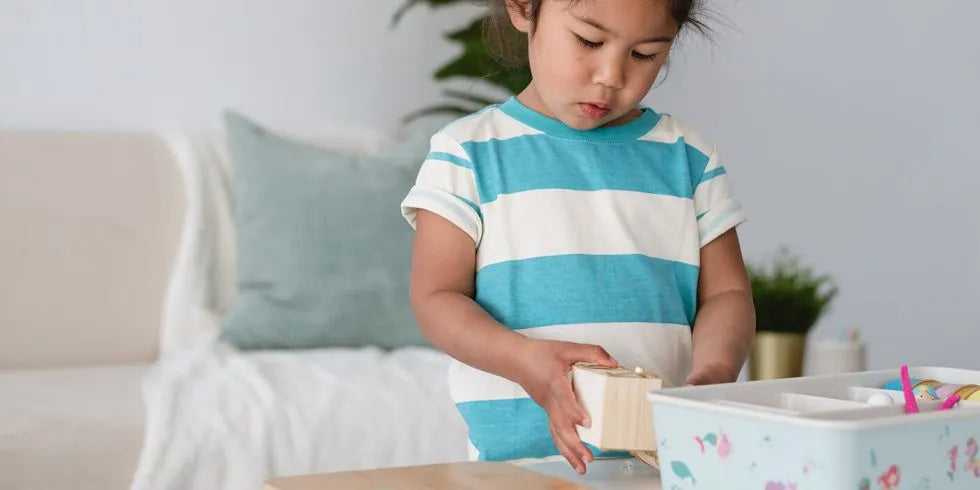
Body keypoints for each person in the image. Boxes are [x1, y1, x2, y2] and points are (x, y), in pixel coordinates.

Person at [400, 0, 755, 474]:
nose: (611, 75)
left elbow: (727, 293)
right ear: (524, 10)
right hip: (514, 470)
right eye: (589, 41)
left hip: (663, 465)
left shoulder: (687, 156)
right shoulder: (466, 153)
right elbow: (436, 297)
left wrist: (713, 374)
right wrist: (524, 360)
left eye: (645, 54)